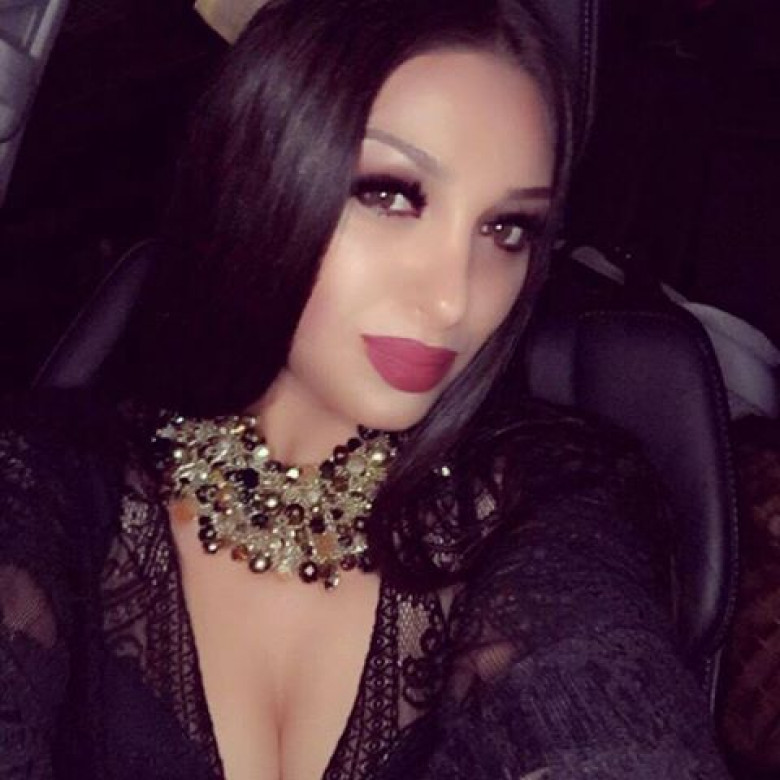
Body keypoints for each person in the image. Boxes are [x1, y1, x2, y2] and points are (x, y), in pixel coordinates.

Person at [0, 0, 730, 777]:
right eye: (390, 194)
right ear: (260, 170)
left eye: (505, 229)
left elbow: (596, 693)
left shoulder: (543, 500)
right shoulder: (47, 483)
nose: (453, 299)